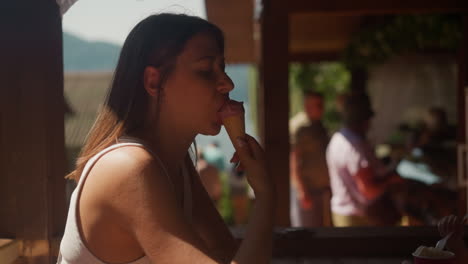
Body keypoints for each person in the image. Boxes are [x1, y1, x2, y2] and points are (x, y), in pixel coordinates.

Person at [58, 14, 275, 264]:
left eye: (222, 69)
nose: (227, 83)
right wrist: (266, 195)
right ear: (154, 81)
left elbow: (226, 255)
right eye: (206, 70)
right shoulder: (129, 168)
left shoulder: (177, 164)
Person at [326, 91, 402, 227]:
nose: (369, 124)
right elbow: (369, 189)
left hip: (345, 213)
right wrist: (392, 179)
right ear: (362, 120)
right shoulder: (355, 146)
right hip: (356, 217)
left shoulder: (338, 138)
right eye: (368, 120)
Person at [289, 91, 331, 227]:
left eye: (322, 105)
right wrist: (302, 191)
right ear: (307, 106)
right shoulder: (299, 127)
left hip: (322, 190)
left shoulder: (320, 125)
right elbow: (293, 160)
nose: (321, 108)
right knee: (305, 233)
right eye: (318, 105)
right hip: (307, 191)